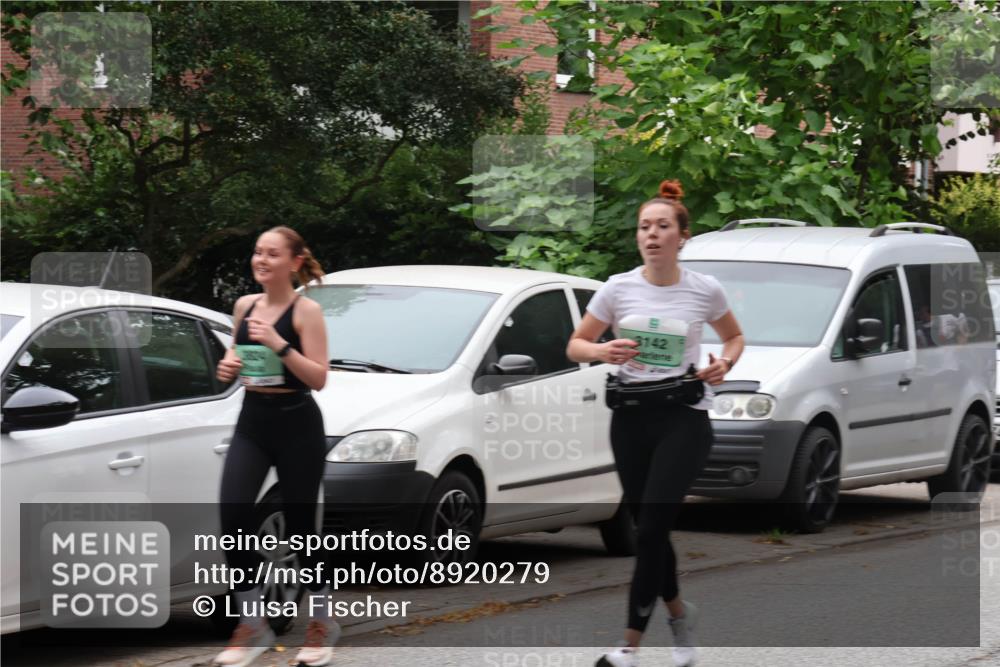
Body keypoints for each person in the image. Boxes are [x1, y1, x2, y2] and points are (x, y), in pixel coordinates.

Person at [567, 180, 745, 667]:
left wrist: (724, 364)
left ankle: (628, 647)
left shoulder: (704, 289)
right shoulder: (618, 288)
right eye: (644, 226)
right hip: (630, 419)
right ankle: (681, 622)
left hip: (683, 418)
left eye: (662, 226)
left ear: (682, 236)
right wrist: (603, 350)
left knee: (649, 532)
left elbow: (734, 338)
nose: (651, 234)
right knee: (650, 529)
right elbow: (575, 345)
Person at [213, 226, 335, 667]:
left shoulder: (306, 312)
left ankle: (322, 622)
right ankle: (252, 624)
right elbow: (238, 357)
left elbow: (318, 378)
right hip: (253, 420)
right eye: (257, 252)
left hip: (297, 423)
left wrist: (279, 344)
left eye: (272, 254)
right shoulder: (245, 306)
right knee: (233, 515)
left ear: (294, 262)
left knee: (301, 528)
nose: (261, 260)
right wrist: (228, 366)